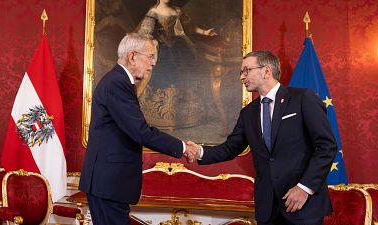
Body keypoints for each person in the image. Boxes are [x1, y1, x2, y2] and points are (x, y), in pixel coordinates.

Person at [185, 51, 337, 225]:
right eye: (242, 72)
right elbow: (230, 148)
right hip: (268, 207)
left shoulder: (302, 98)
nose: (242, 77)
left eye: (246, 70)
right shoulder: (248, 113)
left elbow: (326, 146)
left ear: (266, 71)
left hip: (303, 203)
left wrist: (304, 188)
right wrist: (199, 152)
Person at [79, 33, 195, 225]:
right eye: (150, 56)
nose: (153, 63)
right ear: (133, 56)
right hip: (109, 184)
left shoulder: (119, 81)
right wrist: (183, 148)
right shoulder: (117, 83)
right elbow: (140, 131)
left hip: (110, 183)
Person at [137, 0, 217, 129]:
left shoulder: (177, 11)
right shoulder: (153, 12)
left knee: (185, 76)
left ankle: (186, 116)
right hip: (162, 50)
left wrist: (205, 32)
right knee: (165, 76)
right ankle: (162, 116)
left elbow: (190, 26)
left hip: (180, 48)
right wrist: (154, 42)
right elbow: (145, 33)